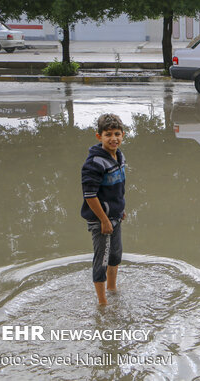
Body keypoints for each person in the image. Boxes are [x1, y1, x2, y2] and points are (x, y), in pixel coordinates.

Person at [81, 114, 127, 305]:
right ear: (99, 136)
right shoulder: (94, 163)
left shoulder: (119, 156)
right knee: (101, 260)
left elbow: (119, 187)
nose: (113, 138)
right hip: (100, 220)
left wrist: (120, 208)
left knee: (115, 255)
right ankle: (102, 304)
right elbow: (90, 196)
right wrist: (104, 220)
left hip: (115, 216)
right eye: (108, 134)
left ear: (123, 135)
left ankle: (112, 288)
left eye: (117, 134)